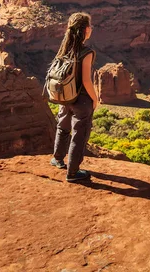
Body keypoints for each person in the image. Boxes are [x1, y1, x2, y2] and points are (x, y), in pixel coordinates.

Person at [50, 12, 99, 182]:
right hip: (81, 100)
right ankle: (72, 172)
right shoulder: (86, 52)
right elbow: (86, 80)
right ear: (86, 30)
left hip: (65, 97)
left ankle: (57, 159)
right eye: (90, 26)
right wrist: (95, 99)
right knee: (79, 134)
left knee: (62, 127)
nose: (91, 29)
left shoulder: (65, 48)